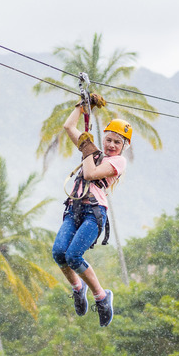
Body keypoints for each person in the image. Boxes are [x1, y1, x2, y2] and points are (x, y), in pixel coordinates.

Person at [51, 97, 131, 327]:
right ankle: (78, 288)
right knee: (59, 253)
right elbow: (69, 127)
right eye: (108, 140)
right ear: (103, 138)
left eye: (117, 142)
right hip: (74, 209)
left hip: (93, 214)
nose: (111, 145)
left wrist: (87, 148)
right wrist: (82, 106)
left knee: (73, 256)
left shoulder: (118, 162)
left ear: (124, 146)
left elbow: (89, 174)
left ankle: (102, 297)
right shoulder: (93, 151)